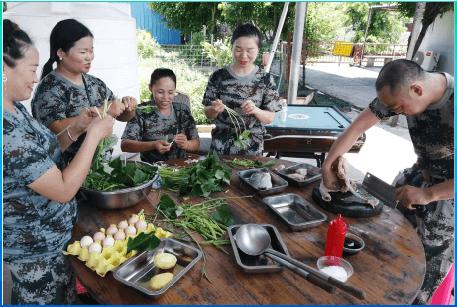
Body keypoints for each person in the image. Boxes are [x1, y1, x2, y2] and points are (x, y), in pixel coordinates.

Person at [321, 59, 454, 305]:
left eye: (399, 108)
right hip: (417, 180)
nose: (396, 112)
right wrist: (329, 163)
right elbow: (356, 127)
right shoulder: (400, 93)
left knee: (423, 273)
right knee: (394, 252)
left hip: (447, 198)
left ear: (417, 89)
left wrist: (429, 195)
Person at [3, 19, 114, 304]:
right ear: (4, 70)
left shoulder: (15, 110)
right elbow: (63, 191)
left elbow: (47, 152)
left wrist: (76, 128)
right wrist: (92, 137)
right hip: (35, 255)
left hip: (55, 243)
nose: (37, 77)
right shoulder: (7, 133)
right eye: (30, 69)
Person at [31, 18, 137, 164]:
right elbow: (57, 127)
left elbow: (122, 115)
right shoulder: (49, 89)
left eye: (91, 51)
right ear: (61, 52)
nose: (90, 57)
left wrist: (128, 107)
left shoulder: (95, 83)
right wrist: (103, 111)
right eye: (83, 52)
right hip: (66, 171)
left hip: (99, 168)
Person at [202, 23, 282, 156]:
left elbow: (269, 118)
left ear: (258, 50)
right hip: (221, 147)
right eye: (238, 50)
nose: (244, 56)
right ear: (232, 48)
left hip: (252, 148)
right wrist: (214, 109)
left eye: (250, 50)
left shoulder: (265, 79)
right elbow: (208, 113)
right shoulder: (218, 76)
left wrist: (255, 110)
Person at [120, 68, 200, 163]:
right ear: (150, 88)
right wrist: (153, 145)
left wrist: (187, 144)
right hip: (152, 169)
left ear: (175, 90)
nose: (166, 97)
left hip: (180, 167)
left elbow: (196, 143)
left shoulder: (182, 110)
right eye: (160, 92)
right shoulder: (141, 111)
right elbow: (125, 145)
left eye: (170, 92)